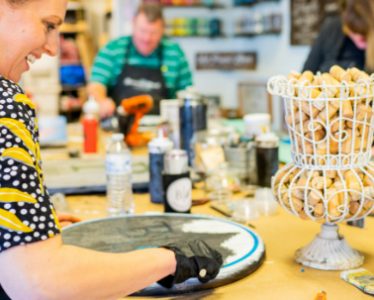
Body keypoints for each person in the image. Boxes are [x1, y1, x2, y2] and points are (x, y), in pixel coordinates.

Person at [0, 0, 222, 299]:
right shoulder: (6, 106)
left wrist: (24, 225)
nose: (53, 47)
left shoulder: (174, 54)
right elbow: (40, 282)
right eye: (49, 25)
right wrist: (174, 259)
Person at [88, 3, 192, 116]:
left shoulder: (174, 53)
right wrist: (102, 101)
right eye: (143, 31)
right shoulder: (113, 50)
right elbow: (96, 84)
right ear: (133, 24)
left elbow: (187, 92)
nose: (147, 38)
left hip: (162, 128)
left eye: (153, 33)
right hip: (120, 128)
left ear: (162, 30)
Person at [303, 0, 374, 73]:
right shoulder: (331, 28)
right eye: (354, 31)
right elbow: (307, 73)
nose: (359, 37)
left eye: (364, 34)